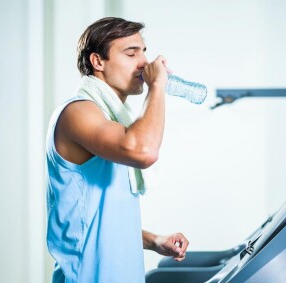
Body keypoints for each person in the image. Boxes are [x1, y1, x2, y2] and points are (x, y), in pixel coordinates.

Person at [45, 17, 189, 283]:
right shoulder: (79, 112)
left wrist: (153, 240)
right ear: (98, 61)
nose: (144, 62)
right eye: (131, 53)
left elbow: (101, 221)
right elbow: (144, 151)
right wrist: (157, 86)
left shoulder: (113, 123)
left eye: (144, 52)